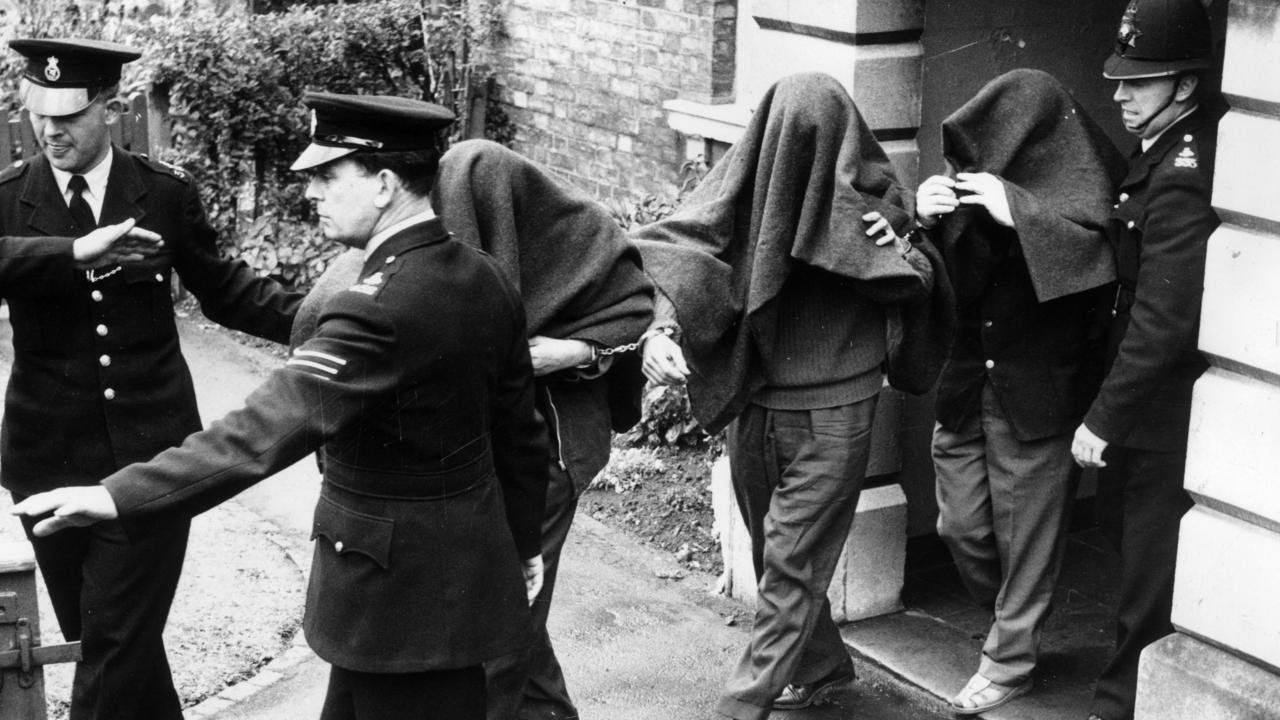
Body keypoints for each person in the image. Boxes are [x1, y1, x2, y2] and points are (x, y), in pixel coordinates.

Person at [13, 92, 551, 720]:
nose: (311, 194)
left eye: (326, 176)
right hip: (449, 594)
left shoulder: (376, 307)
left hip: (395, 606)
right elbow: (521, 435)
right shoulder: (485, 277)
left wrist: (114, 496)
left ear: (382, 184)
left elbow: (263, 430)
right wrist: (523, 545)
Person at [290, 138, 655, 720]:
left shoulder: (567, 239)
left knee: (498, 635)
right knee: (512, 619)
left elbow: (630, 311)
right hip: (463, 458)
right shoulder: (418, 273)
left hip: (548, 452)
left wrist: (573, 350)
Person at [0, 37, 305, 720]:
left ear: (109, 107)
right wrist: (72, 252)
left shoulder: (160, 194)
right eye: (40, 116)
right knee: (112, 643)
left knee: (112, 646)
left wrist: (329, 318)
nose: (53, 132)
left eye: (71, 116)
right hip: (48, 460)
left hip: (153, 459)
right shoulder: (11, 200)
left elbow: (227, 292)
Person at [634, 72, 954, 720]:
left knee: (789, 568)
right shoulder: (744, 192)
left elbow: (919, 279)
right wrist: (660, 328)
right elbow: (683, 250)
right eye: (788, 140)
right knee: (772, 554)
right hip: (756, 404)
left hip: (837, 413)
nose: (800, 161)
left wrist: (900, 253)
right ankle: (824, 665)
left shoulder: (873, 201)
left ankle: (738, 707)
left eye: (816, 141)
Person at [914, 68, 1126, 715]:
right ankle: (1017, 616)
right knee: (962, 527)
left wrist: (1023, 212)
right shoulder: (972, 193)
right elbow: (935, 282)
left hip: (1039, 399)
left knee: (1029, 540)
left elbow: (1100, 269)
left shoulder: (1087, 195)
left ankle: (1009, 660)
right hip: (964, 390)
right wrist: (920, 218)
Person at [1070, 1, 1222, 719]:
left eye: (1141, 81)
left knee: (1148, 575)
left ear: (1185, 87)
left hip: (1160, 414)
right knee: (1125, 552)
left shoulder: (1185, 170)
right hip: (1143, 408)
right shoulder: (1163, 146)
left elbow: (1163, 317)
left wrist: (1106, 417)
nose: (1120, 93)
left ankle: (1119, 705)